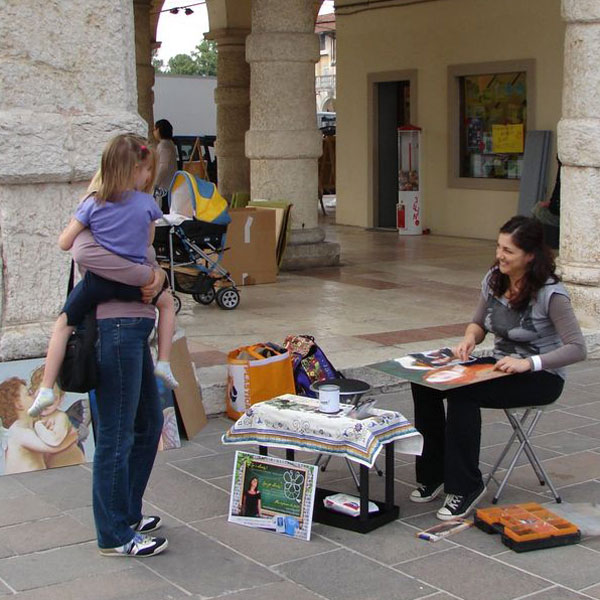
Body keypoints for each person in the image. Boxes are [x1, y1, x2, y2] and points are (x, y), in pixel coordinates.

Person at [409, 216, 586, 520]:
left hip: (540, 375)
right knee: (425, 381)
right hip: (500, 365)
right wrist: (468, 340)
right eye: (498, 247)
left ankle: (465, 487)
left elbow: (577, 348)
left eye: (508, 251)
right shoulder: (495, 278)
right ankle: (433, 473)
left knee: (464, 394)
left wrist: (528, 363)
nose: (500, 255)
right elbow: (478, 323)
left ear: (530, 255)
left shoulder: (551, 293)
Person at [29, 134, 178, 419]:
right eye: (147, 170)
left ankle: (46, 387)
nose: (149, 176)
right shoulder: (146, 204)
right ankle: (166, 360)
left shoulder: (92, 203)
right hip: (135, 287)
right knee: (167, 303)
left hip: (97, 285)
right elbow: (147, 243)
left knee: (63, 325)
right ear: (135, 170)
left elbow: (66, 243)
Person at [0, 378, 79, 475]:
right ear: (19, 404)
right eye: (29, 394)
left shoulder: (29, 426)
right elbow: (53, 448)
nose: (34, 395)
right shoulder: (18, 431)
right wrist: (73, 436)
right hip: (23, 482)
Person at [153, 119, 178, 212]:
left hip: (164, 185)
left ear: (159, 130)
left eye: (155, 129)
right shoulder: (170, 143)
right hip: (170, 183)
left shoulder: (163, 145)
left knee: (164, 209)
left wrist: (155, 183)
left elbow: (164, 167)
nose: (154, 132)